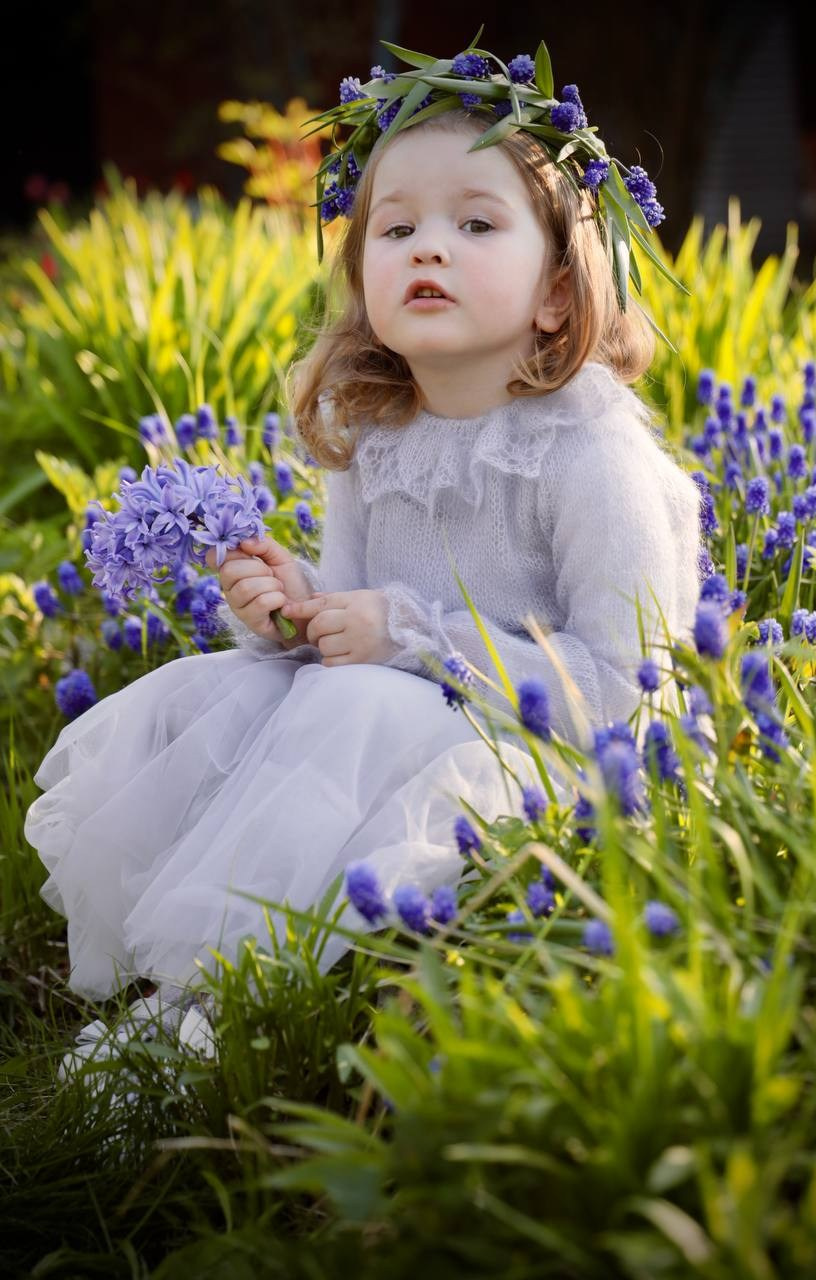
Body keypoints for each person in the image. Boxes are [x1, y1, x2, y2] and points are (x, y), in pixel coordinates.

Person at [23, 47, 704, 1071]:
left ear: (559, 292)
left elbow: (624, 686)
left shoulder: (588, 450)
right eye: (397, 227)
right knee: (199, 698)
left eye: (475, 223)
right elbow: (354, 618)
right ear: (362, 271)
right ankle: (192, 983)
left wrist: (412, 636)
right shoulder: (377, 435)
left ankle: (234, 1009)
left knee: (354, 710)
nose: (428, 247)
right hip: (379, 724)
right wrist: (300, 604)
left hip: (539, 766)